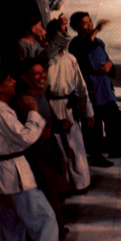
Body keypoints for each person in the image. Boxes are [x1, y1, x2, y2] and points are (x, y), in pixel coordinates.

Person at [0, 64, 77, 241]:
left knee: (11, 219)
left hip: (0, 172)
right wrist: (33, 113)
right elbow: (26, 137)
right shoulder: (0, 111)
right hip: (14, 172)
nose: (13, 82)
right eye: (9, 80)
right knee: (44, 215)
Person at [14, 59, 70, 235]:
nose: (42, 76)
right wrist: (39, 138)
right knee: (47, 196)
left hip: (48, 151)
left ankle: (57, 230)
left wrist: (60, 125)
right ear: (25, 78)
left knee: (53, 193)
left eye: (42, 72)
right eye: (36, 73)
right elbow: (21, 135)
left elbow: (49, 123)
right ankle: (51, 236)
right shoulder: (24, 102)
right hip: (36, 157)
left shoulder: (41, 96)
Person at [69, 11, 121, 162]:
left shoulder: (98, 42)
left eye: (90, 21)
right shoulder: (75, 45)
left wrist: (110, 65)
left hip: (104, 88)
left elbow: (106, 59)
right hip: (90, 90)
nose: (89, 25)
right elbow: (84, 50)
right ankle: (95, 155)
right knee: (93, 125)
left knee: (114, 119)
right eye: (85, 23)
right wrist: (96, 30)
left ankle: (115, 148)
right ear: (76, 27)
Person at [44, 19, 93, 190]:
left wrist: (87, 112)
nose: (65, 38)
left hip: (68, 104)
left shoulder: (70, 59)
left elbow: (81, 87)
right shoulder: (45, 59)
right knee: (59, 146)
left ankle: (81, 182)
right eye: (61, 33)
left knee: (75, 144)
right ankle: (63, 184)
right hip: (50, 104)